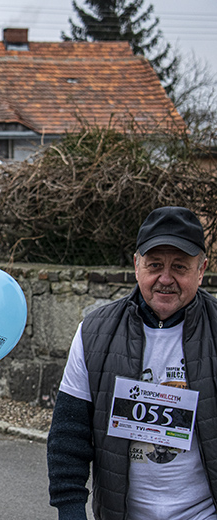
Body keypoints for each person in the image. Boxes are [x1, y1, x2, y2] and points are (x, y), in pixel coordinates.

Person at [47, 206, 217, 520]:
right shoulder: (93, 333)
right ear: (137, 265)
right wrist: (70, 511)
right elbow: (69, 435)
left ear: (201, 269)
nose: (165, 278)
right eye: (155, 265)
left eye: (180, 267)